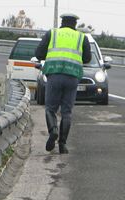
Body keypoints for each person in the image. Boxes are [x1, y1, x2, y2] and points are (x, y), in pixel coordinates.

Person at [34, 13, 91, 154]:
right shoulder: (81, 37)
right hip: (72, 76)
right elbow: (87, 58)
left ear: (62, 22)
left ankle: (53, 131)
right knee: (67, 112)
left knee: (50, 109)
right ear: (75, 24)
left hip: (54, 74)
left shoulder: (52, 34)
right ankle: (63, 145)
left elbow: (38, 53)